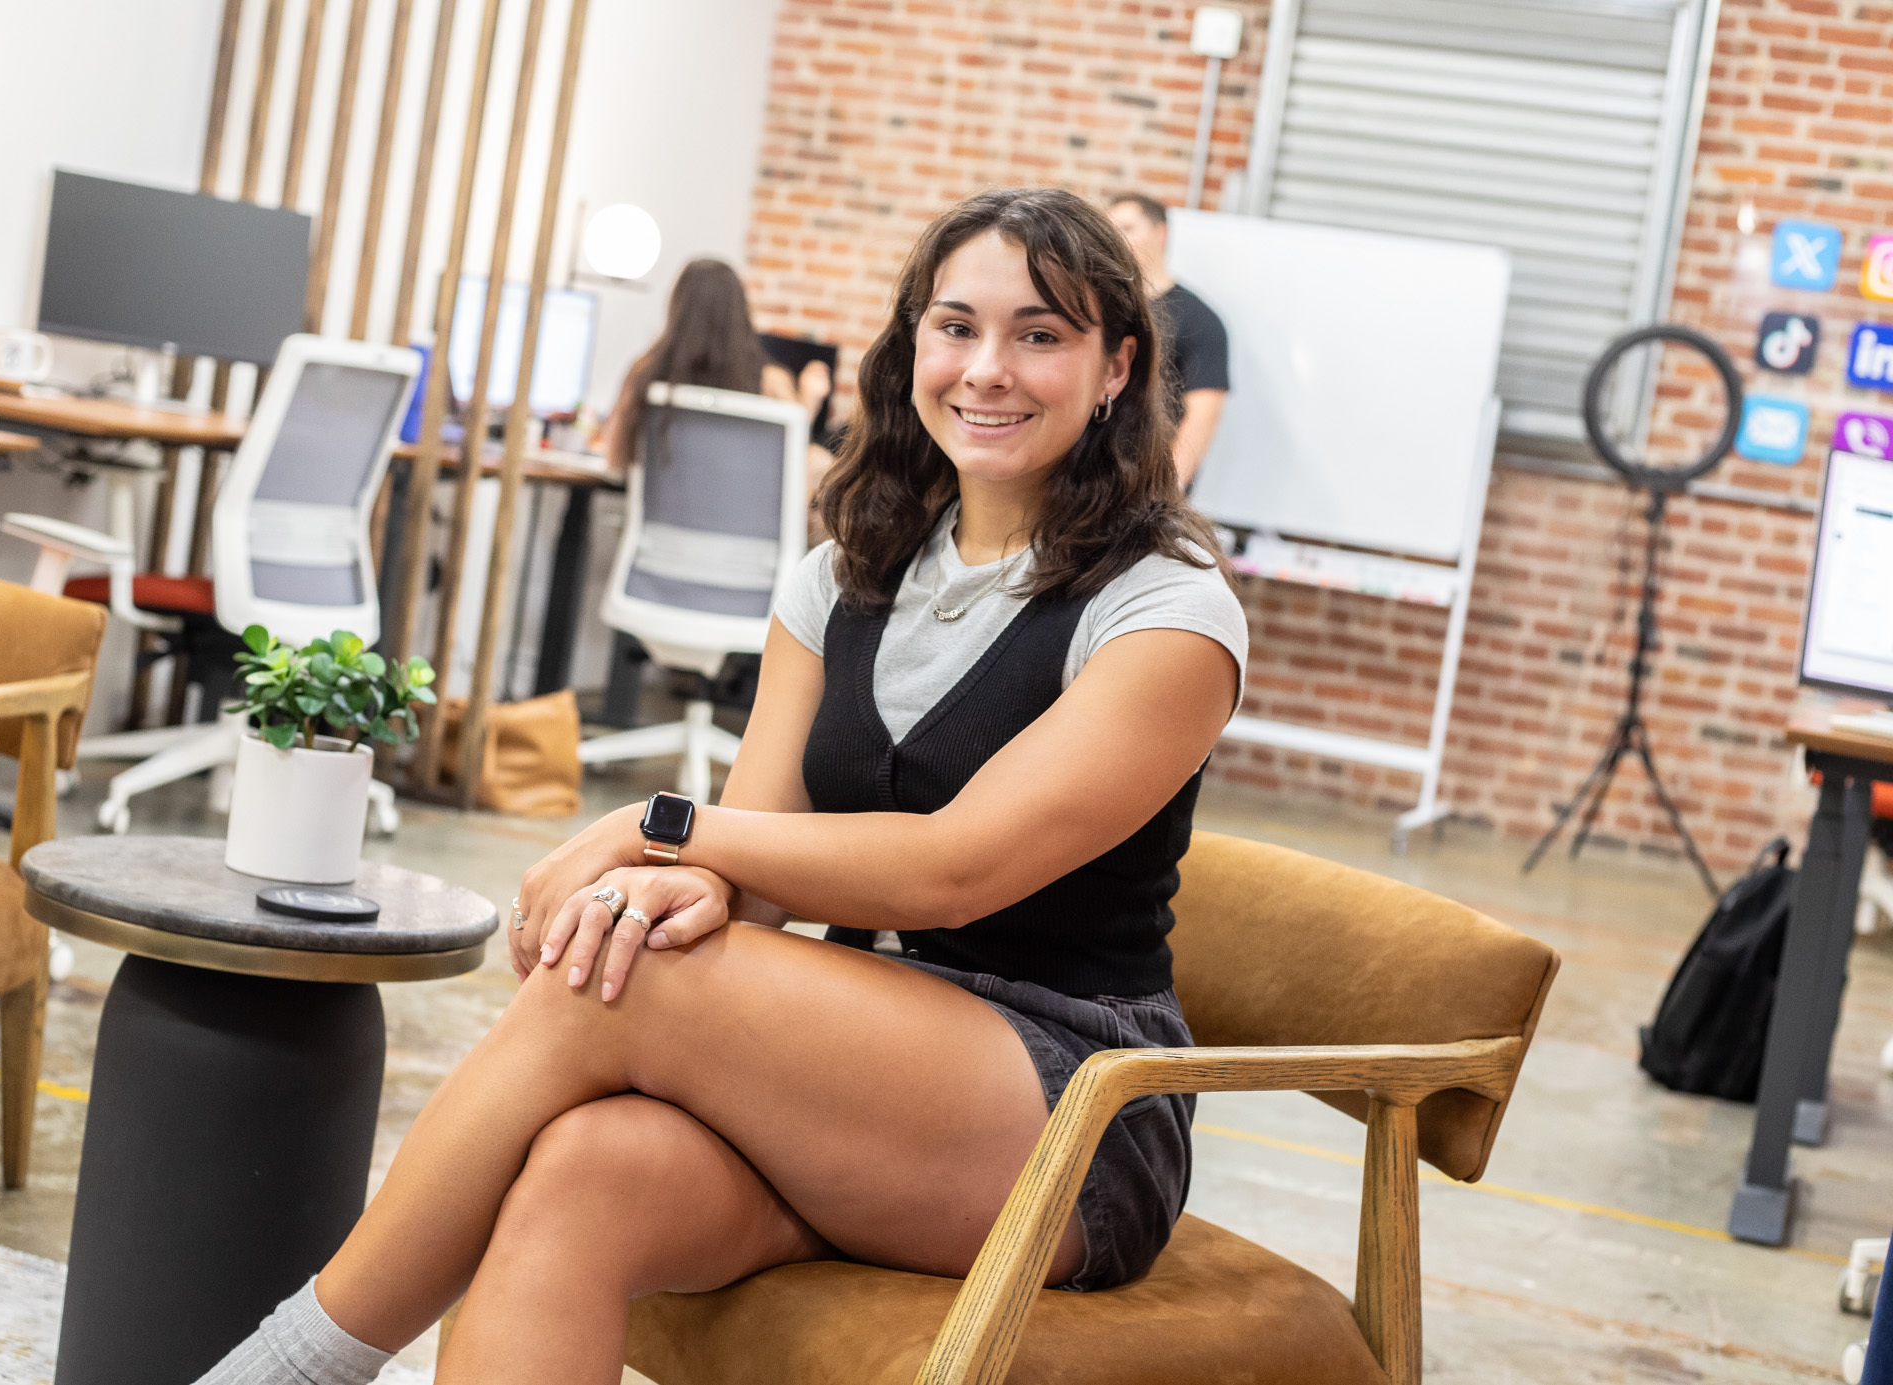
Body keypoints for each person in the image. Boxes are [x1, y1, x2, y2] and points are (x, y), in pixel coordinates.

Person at [194, 186, 1246, 1384]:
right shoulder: (842, 573)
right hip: (832, 1078)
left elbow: (957, 867)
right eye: (954, 327)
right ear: (911, 346)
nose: (986, 368)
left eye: (1040, 335)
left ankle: (292, 1363)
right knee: (580, 1170)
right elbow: (739, 872)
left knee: (631, 984)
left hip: (1068, 1109)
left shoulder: (1164, 607)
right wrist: (660, 885)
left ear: (1116, 367)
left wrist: (658, 829)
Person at [601, 256, 835, 498]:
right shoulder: (771, 381)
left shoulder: (647, 373)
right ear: (740, 311)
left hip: (660, 532)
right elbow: (792, 469)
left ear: (677, 308)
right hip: (745, 530)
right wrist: (807, 403)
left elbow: (616, 462)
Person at [1107, 193, 1229, 489]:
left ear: (1160, 234)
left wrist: (1165, 490)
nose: (1116, 239)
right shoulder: (1101, 307)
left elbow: (1203, 415)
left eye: (1127, 228)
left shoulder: (1199, 320)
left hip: (1144, 482)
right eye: (1111, 231)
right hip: (1084, 477)